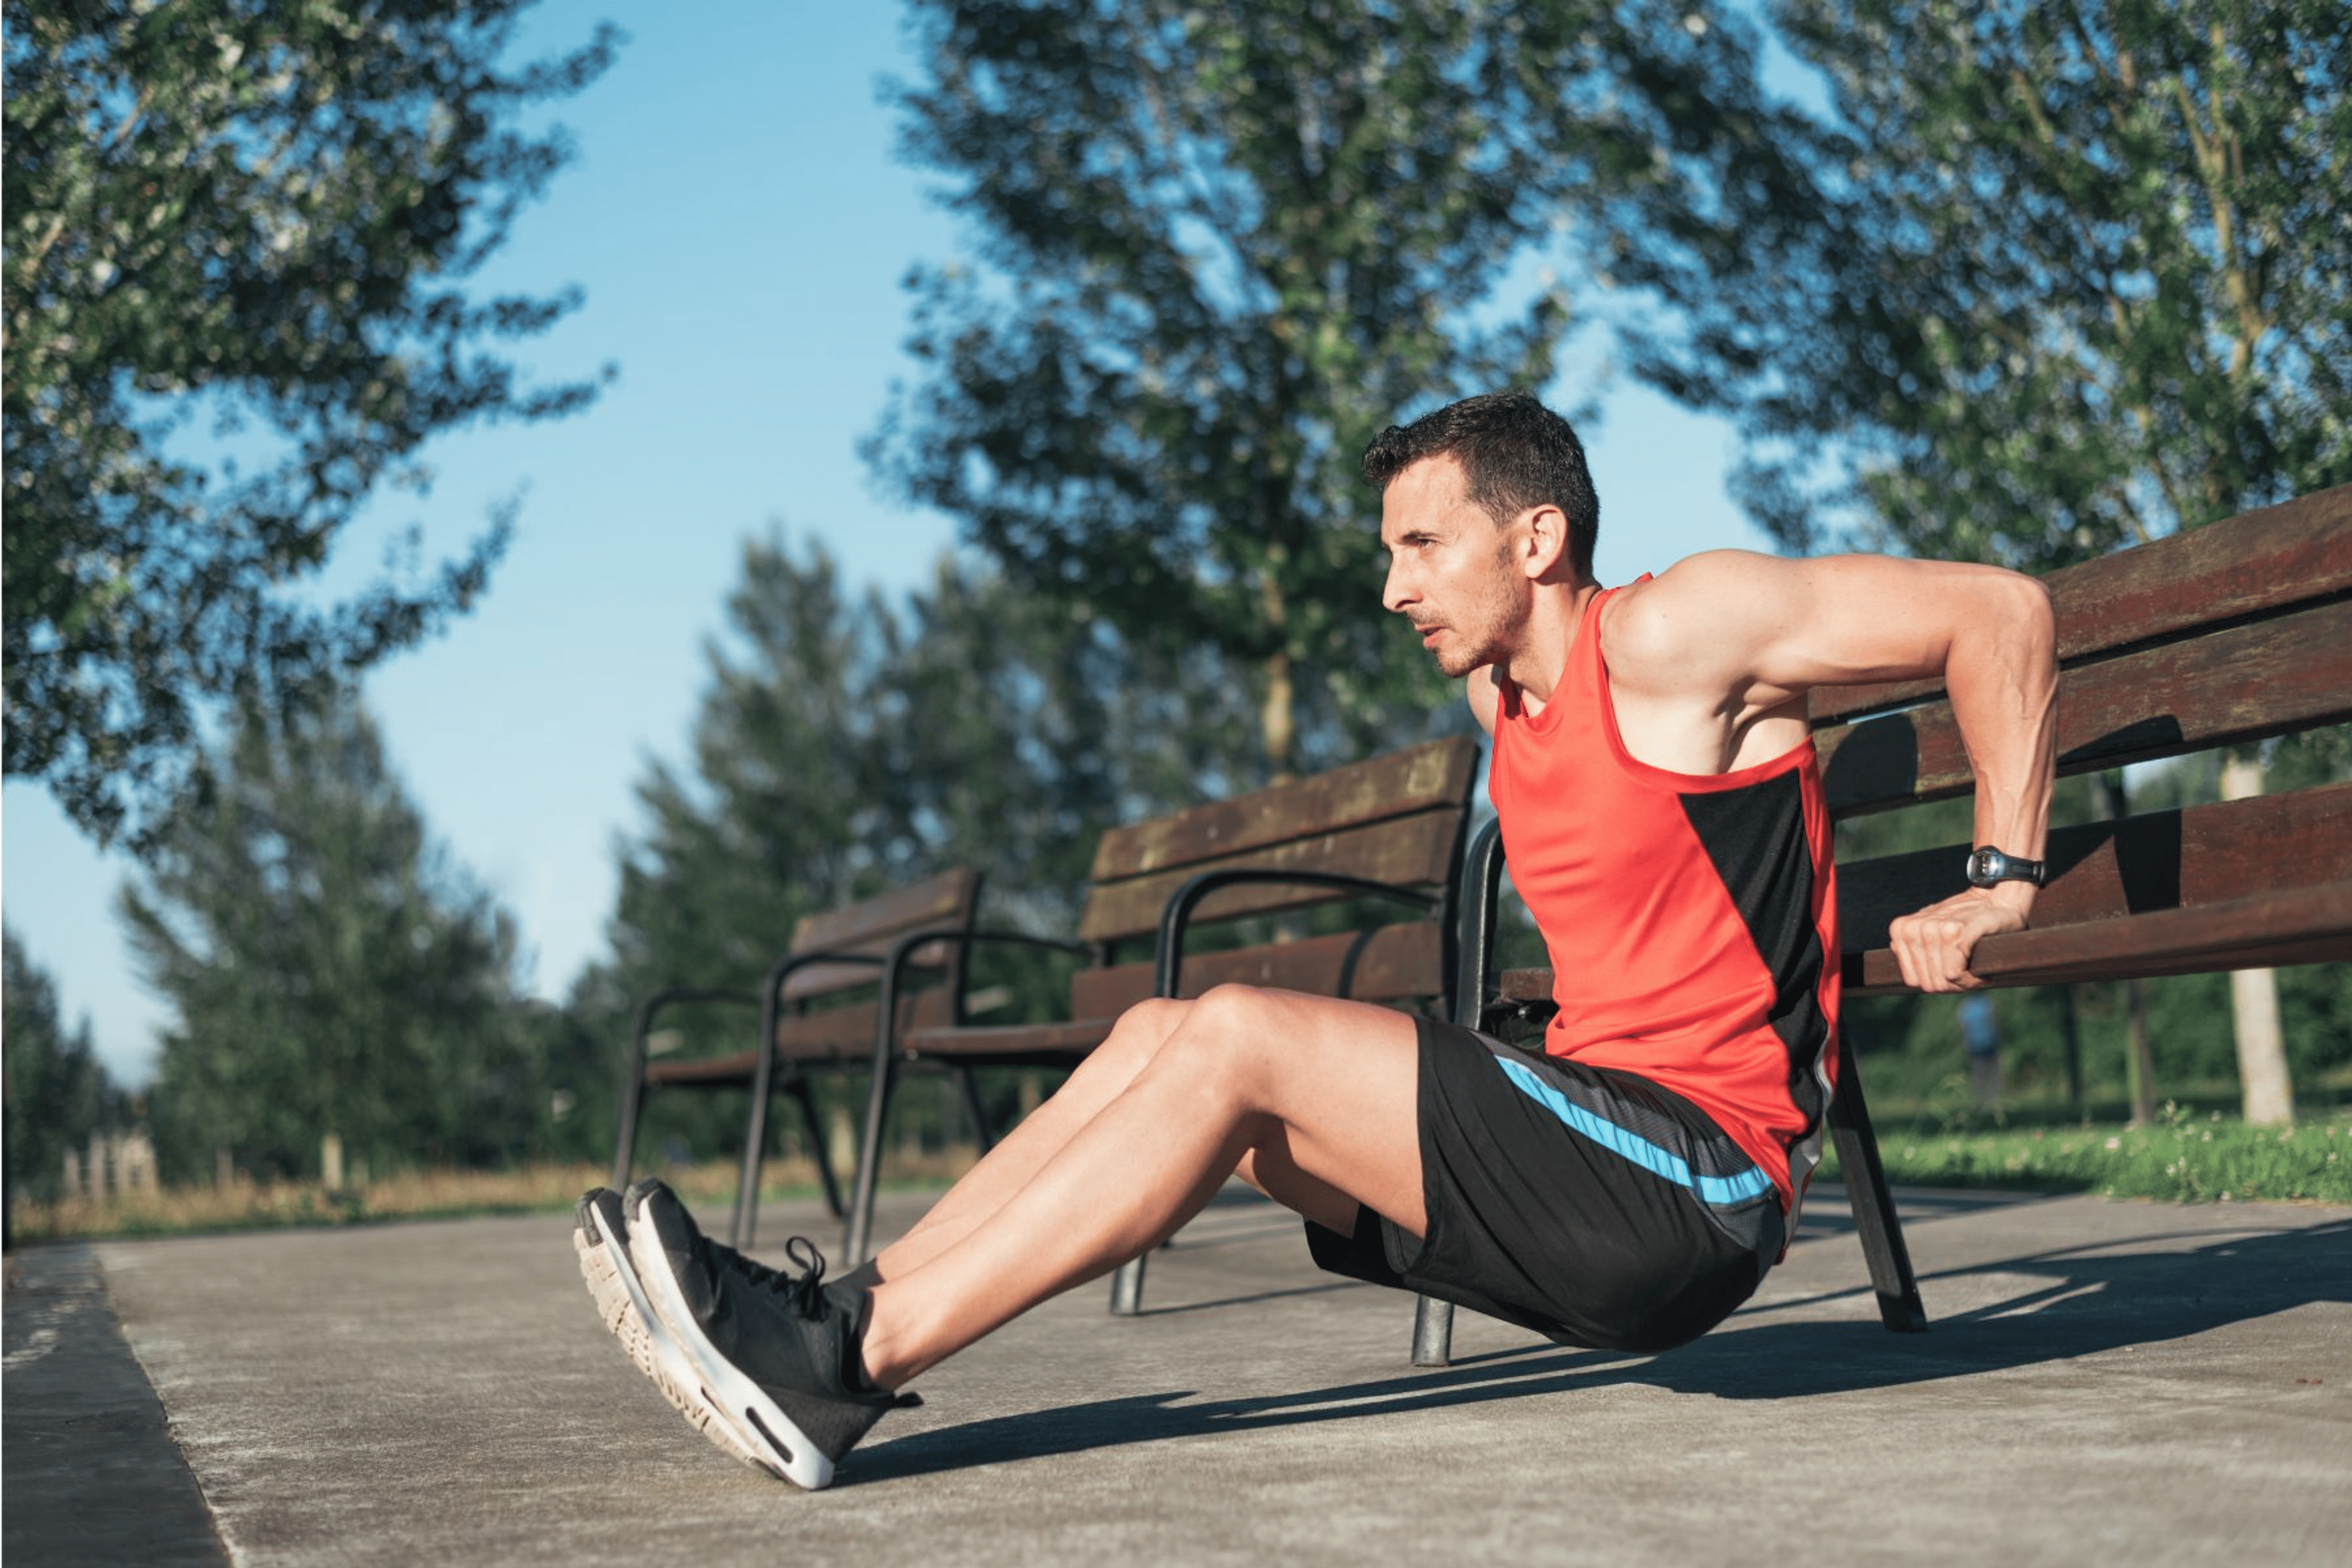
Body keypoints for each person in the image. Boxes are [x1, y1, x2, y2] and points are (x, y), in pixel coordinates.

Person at [573, 390, 2059, 1490]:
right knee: (1162, 1034)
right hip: (1591, 1154)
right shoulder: (1500, 705)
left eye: (1423, 543)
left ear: (1535, 536)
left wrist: (2000, 878)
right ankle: (833, 1315)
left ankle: (843, 1367)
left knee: (1232, 1029)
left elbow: (1998, 612)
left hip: (1700, 1183)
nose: (1394, 584)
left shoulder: (1676, 634)